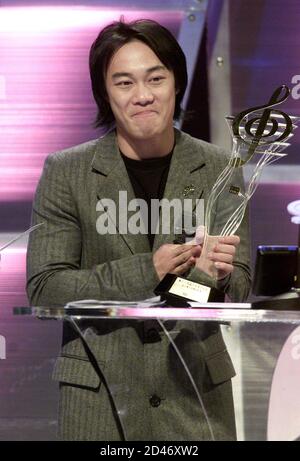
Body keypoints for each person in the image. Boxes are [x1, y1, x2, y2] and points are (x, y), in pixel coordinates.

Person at [26, 19, 251, 441]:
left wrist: (216, 279)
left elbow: (239, 288)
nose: (143, 96)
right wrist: (148, 269)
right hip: (100, 398)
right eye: (124, 82)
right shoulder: (67, 172)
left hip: (195, 396)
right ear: (104, 93)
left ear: (176, 83)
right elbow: (45, 287)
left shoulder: (223, 168)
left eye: (156, 78)